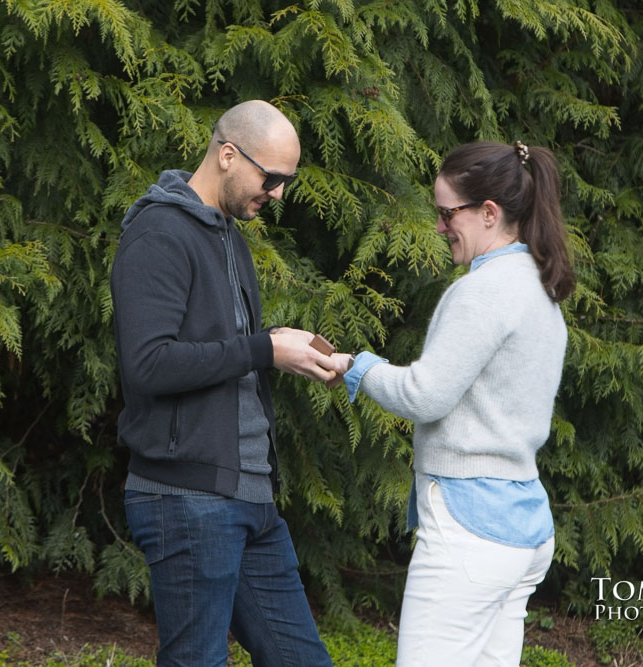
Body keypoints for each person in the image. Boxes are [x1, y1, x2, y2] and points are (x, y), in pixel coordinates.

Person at [329, 140, 575, 665]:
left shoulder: (483, 291)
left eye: (447, 214)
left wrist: (359, 367)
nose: (440, 227)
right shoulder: (540, 288)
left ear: (488, 213)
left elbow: (425, 395)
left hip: (470, 529)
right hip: (523, 528)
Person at [110, 100, 336, 666]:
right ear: (229, 155)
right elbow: (148, 364)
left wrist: (275, 345)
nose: (279, 193)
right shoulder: (159, 232)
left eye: (288, 181)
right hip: (187, 499)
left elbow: (215, 348)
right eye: (273, 177)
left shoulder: (229, 236)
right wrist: (261, 349)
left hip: (251, 497)